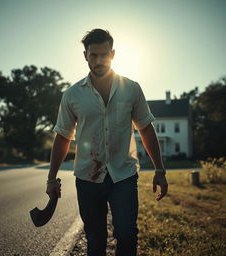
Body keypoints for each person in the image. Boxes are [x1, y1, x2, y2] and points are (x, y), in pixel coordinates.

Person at [46, 28, 168, 256]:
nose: (99, 60)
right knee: (95, 240)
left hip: (124, 174)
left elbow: (146, 128)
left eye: (104, 55)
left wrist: (159, 169)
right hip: (87, 178)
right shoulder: (72, 95)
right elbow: (62, 136)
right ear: (85, 56)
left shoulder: (131, 89)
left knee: (127, 234)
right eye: (93, 55)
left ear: (113, 53)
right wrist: (51, 178)